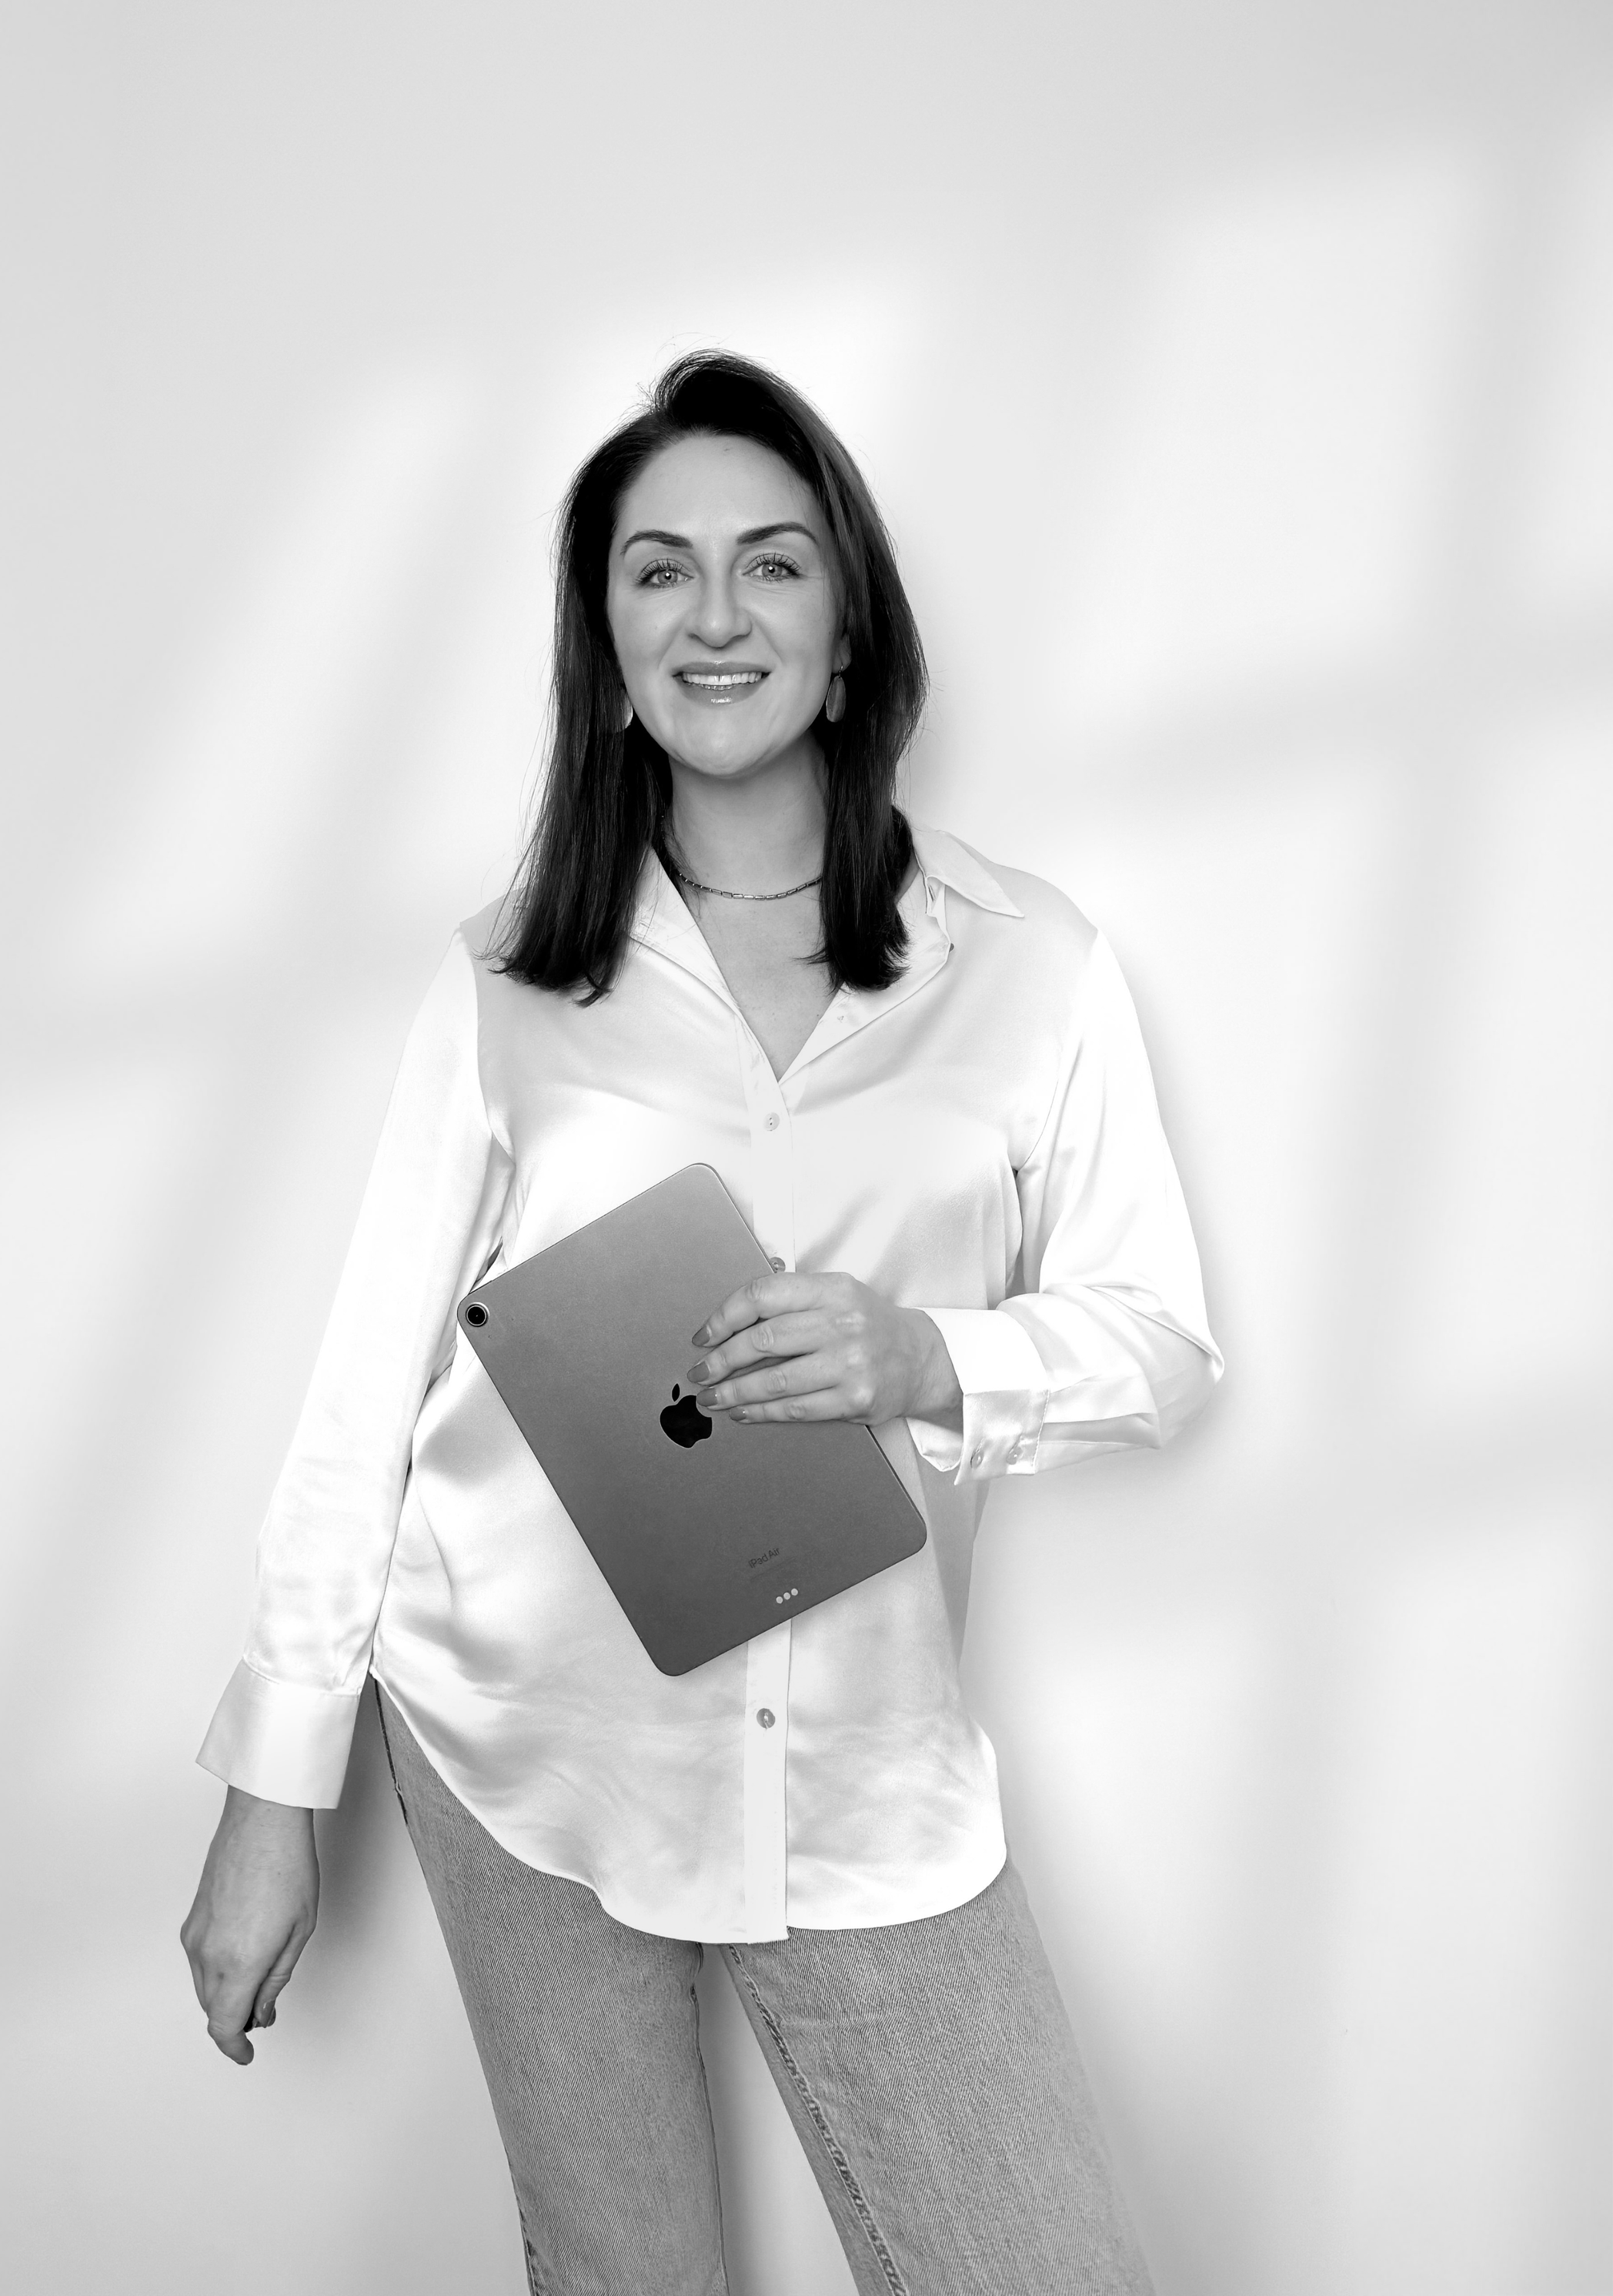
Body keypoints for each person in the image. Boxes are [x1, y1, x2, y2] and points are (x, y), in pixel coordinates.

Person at [181, 352, 1222, 2295]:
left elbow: (1159, 1335)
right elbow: (361, 1397)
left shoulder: (1029, 965)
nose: (714, 612)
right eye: (658, 571)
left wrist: (931, 1361)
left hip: (858, 1762)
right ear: (608, 643)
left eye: (769, 563)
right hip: (526, 1740)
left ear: (848, 632)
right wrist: (271, 1795)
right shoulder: (509, 984)